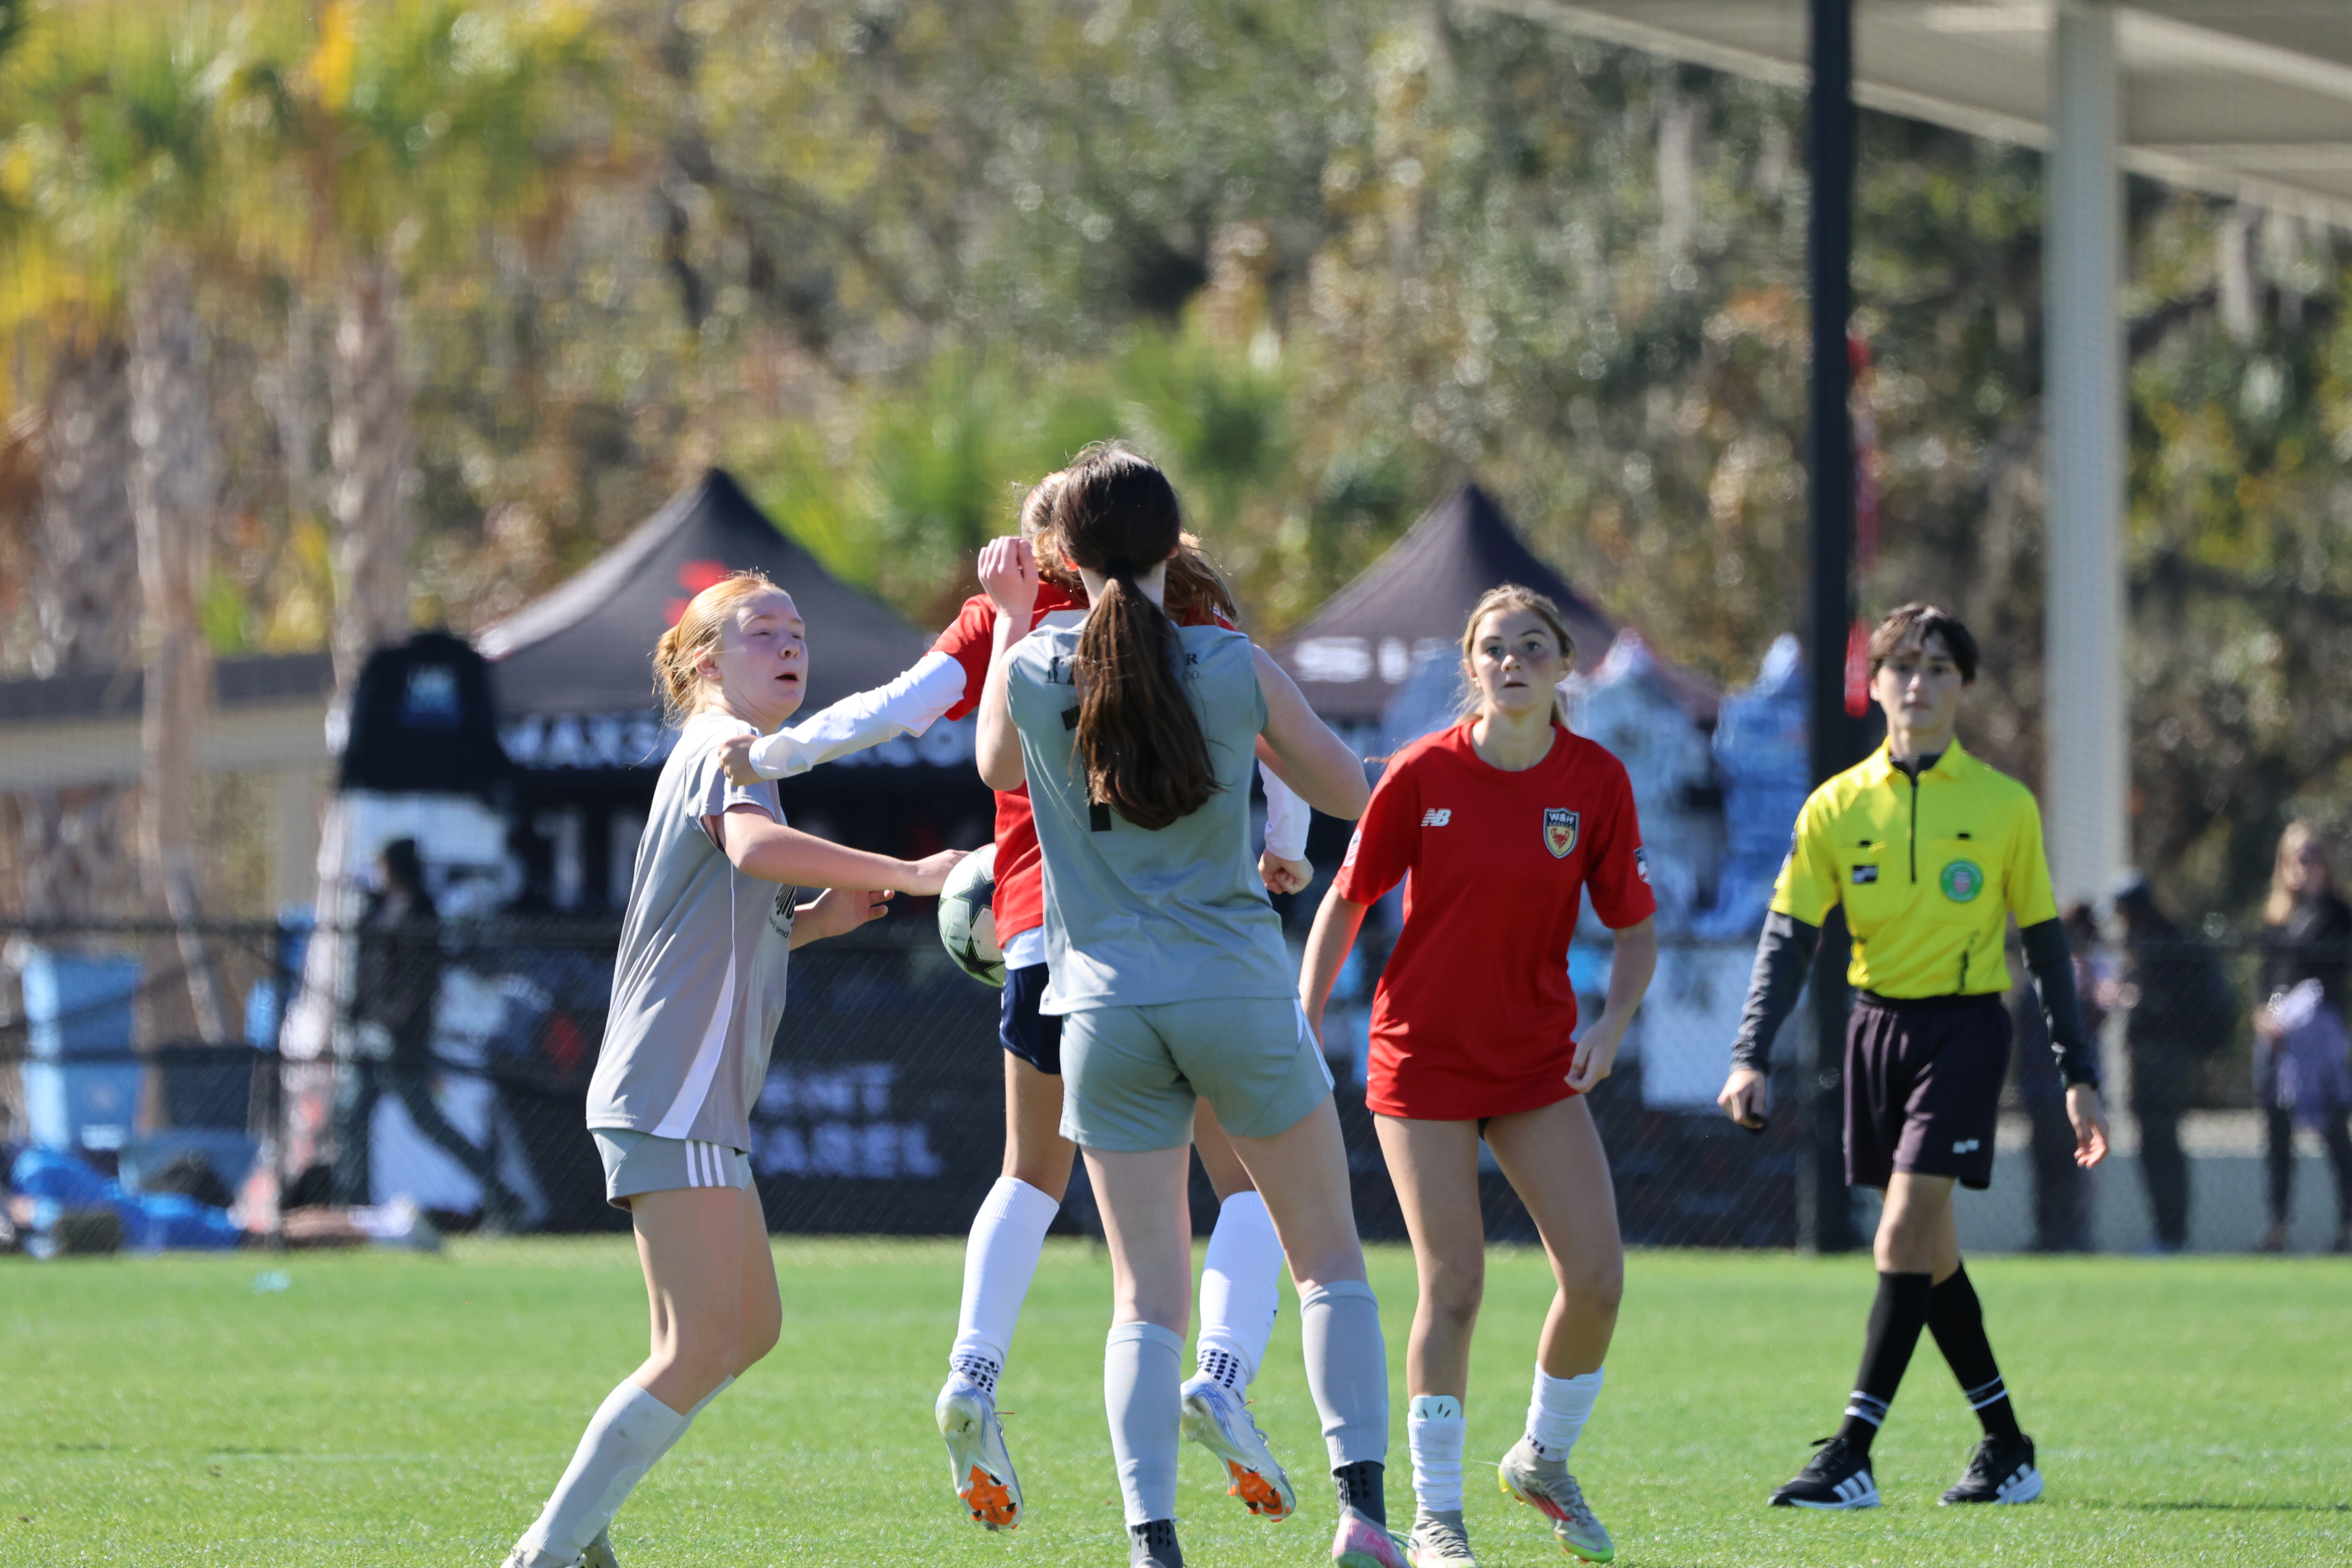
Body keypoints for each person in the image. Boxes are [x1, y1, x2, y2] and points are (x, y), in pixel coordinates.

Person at [718, 472, 1312, 1530]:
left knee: (1028, 1175)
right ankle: (1223, 1373)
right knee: (1247, 1185)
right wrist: (1285, 846)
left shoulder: (1013, 619)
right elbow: (1285, 747)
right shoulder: (1191, 615)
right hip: (1182, 950)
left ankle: (973, 1372)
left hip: (1038, 935)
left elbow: (900, 709)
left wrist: (773, 752)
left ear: (1050, 545)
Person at [976, 443, 1400, 1568]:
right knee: (1328, 1263)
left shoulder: (1032, 667)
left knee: (1143, 1301)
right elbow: (1348, 791)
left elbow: (993, 771)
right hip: (1236, 990)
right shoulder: (1229, 662)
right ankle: (1363, 1518)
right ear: (1175, 544)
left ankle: (1151, 1542)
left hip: (1103, 1011)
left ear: (1062, 551)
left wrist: (1012, 621)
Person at [502, 571, 965, 1568]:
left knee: (746, 1327)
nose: (791, 644)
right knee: (702, 1342)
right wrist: (908, 873)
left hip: (680, 1088)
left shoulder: (734, 754)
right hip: (674, 1084)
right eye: (764, 630)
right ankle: (548, 1548)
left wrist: (816, 923)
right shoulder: (725, 745)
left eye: (797, 631)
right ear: (707, 661)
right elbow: (754, 850)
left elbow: (729, 917)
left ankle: (579, 1525)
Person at [1716, 602, 2108, 1511]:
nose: (1918, 684)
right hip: (1875, 1033)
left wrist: (2079, 1073)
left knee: (1896, 1235)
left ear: (1964, 686)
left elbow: (2047, 947)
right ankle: (2007, 1447)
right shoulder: (1836, 806)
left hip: (1965, 1034)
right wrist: (1749, 1053)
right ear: (1875, 683)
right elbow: (1788, 938)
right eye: (1902, 666)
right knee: (1929, 1254)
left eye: (1938, 668)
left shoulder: (2004, 806)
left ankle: (1852, 1453)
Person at [1296, 584, 1657, 1567]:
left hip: (1535, 1062)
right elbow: (1345, 900)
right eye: (1493, 647)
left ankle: (1542, 1458)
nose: (1512, 662)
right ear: (1470, 665)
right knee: (1453, 1283)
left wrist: (1611, 1023)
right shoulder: (1420, 773)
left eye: (1532, 646)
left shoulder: (1595, 781)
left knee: (1597, 1279)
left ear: (1564, 665)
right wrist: (1303, 1019)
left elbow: (1635, 929)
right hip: (1421, 1059)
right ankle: (1436, 1519)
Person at [335, 837, 526, 1230]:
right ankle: (353, 1210)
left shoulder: (420, 912)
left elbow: (418, 985)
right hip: (367, 1036)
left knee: (428, 1122)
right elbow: (367, 972)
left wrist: (394, 1025)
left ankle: (502, 1195)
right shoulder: (378, 910)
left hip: (398, 1041)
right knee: (350, 1116)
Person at [2108, 872, 2231, 1252]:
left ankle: (2171, 1233)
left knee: (2162, 1144)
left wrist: (2136, 999)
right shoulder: (2149, 943)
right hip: (2152, 1058)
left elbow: (2172, 1006)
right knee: (2154, 1144)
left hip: (2164, 1059)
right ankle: (2166, 1231)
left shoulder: (2167, 943)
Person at [2253, 822, 2352, 1255]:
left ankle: (2348, 1226)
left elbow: (2320, 977)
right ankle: (2277, 1228)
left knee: (2333, 1131)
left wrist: (2292, 1012)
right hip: (2280, 1040)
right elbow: (2273, 979)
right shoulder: (2279, 917)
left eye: (2311, 856)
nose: (2302, 865)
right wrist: (2269, 1015)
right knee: (2277, 1133)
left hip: (2318, 1040)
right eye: (2295, 857)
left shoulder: (2337, 916)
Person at [2006, 903, 2105, 1252]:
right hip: (2043, 1087)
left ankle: (2072, 1234)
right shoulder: (2043, 974)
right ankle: (2051, 1234)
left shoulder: (2086, 973)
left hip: (2071, 1089)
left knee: (2073, 1164)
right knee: (2048, 1164)